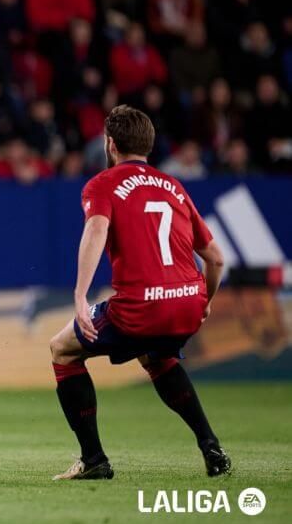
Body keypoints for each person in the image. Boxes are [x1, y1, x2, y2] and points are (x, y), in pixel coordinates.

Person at [49, 105, 231, 480]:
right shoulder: (174, 186)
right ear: (149, 146)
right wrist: (205, 303)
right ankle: (211, 446)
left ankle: (94, 459)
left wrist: (80, 295)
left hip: (142, 307)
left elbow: (96, 232)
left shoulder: (103, 183)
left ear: (110, 145)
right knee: (157, 356)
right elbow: (215, 259)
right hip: (187, 301)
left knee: (62, 349)